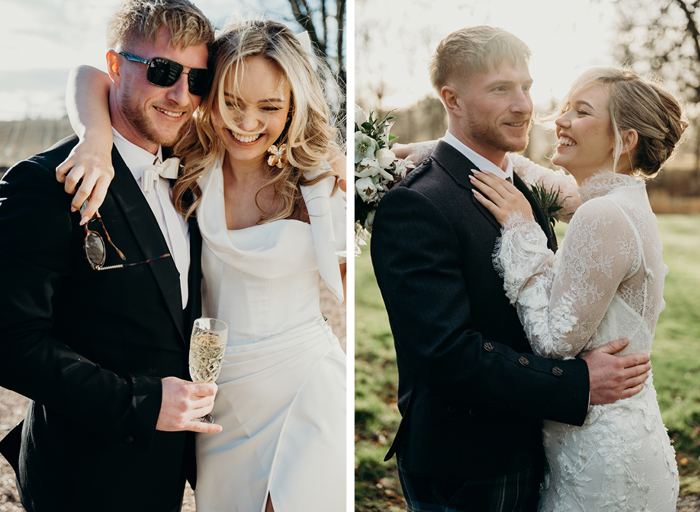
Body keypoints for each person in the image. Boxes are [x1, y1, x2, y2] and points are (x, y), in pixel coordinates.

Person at [56, 18, 347, 512]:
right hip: (217, 394)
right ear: (208, 94)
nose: (247, 122)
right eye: (231, 101)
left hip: (302, 381)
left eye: (270, 107)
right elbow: (90, 73)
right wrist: (94, 140)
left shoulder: (319, 180)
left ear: (293, 106)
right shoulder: (191, 160)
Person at [369, 26, 653, 511]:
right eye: (501, 89)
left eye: (526, 86)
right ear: (452, 99)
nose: (524, 105)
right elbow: (447, 355)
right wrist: (578, 383)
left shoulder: (519, 185)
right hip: (471, 463)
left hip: (539, 447)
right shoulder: (417, 204)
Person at [0, 1, 221, 511]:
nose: (181, 94)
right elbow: (10, 339)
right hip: (81, 476)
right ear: (116, 66)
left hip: (163, 469)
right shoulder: (45, 184)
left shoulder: (189, 169)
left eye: (198, 80)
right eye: (163, 71)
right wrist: (139, 401)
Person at [470, 66, 684, 511]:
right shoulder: (623, 201)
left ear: (623, 141)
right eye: (565, 107)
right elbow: (535, 176)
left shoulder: (600, 215)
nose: (560, 120)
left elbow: (553, 344)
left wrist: (521, 231)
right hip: (625, 439)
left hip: (601, 464)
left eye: (580, 111)